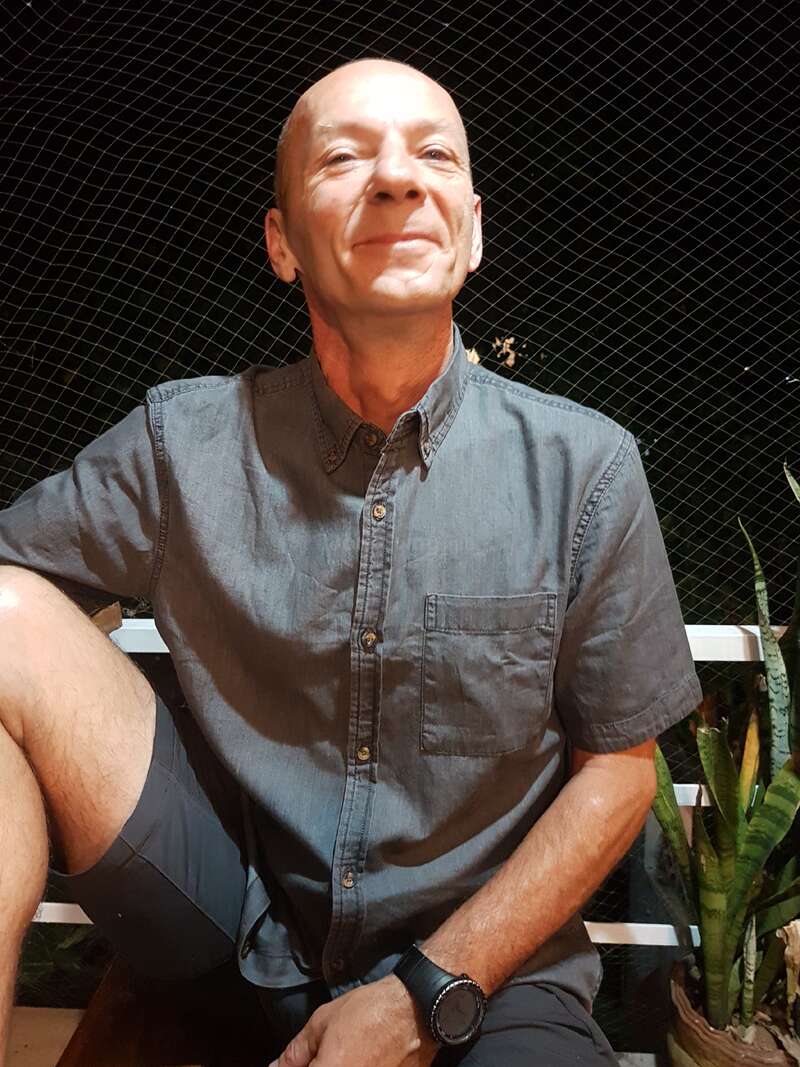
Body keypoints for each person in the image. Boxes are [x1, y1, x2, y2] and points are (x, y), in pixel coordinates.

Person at [0, 57, 702, 1066]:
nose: (395, 178)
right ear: (281, 243)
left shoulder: (583, 470)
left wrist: (427, 988)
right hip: (225, 922)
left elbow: (619, 774)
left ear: (469, 227)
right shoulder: (179, 445)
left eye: (430, 154)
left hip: (487, 974)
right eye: (343, 156)